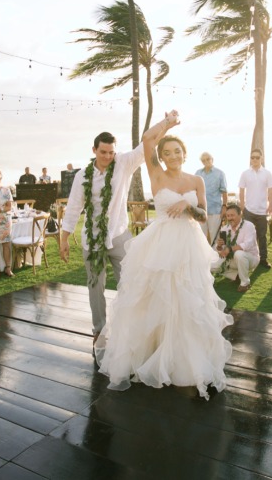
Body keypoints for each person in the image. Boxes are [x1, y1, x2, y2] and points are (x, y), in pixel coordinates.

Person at [96, 112, 232, 399]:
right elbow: (147, 139)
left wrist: (187, 205)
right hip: (161, 244)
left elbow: (204, 215)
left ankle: (182, 360)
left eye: (177, 151)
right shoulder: (156, 174)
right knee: (156, 299)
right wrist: (167, 124)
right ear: (162, 157)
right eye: (167, 152)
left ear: (185, 153)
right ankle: (152, 355)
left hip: (188, 244)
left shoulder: (196, 180)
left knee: (188, 301)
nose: (172, 156)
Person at [60, 114, 177, 344]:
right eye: (103, 152)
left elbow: (147, 143)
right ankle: (99, 330)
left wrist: (167, 124)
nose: (107, 156)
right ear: (94, 150)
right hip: (92, 240)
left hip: (119, 236)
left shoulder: (123, 163)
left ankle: (129, 327)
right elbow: (73, 208)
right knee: (96, 287)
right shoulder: (82, 176)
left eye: (111, 152)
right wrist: (64, 239)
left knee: (131, 282)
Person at [238, 149, 272, 270]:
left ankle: (263, 259)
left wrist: (270, 205)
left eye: (257, 157)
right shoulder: (245, 173)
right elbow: (242, 190)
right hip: (249, 210)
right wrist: (242, 206)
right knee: (249, 235)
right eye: (252, 157)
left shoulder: (267, 173)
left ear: (261, 158)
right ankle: (250, 258)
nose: (254, 159)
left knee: (262, 236)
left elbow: (270, 190)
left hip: (262, 211)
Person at [212, 203, 258, 292]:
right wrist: (219, 246)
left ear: (240, 215)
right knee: (211, 265)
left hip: (250, 258)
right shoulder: (225, 228)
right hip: (231, 259)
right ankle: (236, 275)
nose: (229, 218)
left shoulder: (249, 226)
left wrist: (230, 249)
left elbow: (248, 245)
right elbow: (221, 250)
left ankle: (245, 283)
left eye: (232, 215)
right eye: (228, 216)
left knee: (239, 254)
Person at [195, 152, 228, 244]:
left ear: (212, 160)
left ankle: (217, 257)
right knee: (200, 237)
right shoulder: (198, 173)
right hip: (200, 210)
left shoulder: (220, 173)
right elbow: (194, 190)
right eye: (203, 160)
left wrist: (224, 206)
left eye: (208, 159)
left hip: (215, 210)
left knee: (216, 237)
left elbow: (224, 192)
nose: (206, 161)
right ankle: (203, 258)